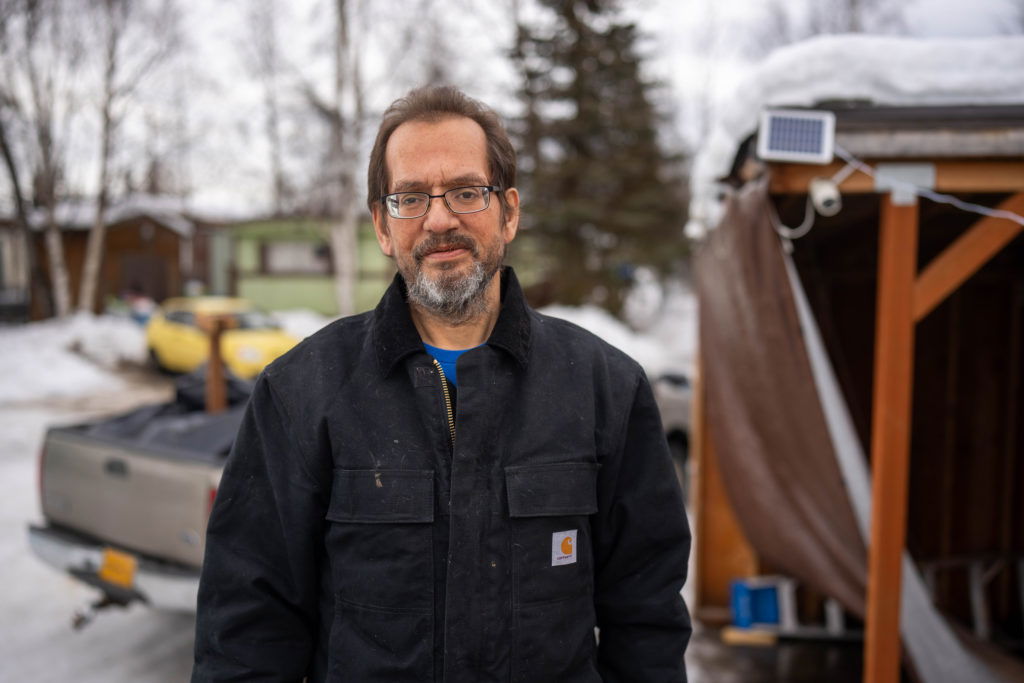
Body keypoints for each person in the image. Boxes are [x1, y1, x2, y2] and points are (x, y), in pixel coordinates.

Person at [192, 85, 691, 682]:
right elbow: (247, 633)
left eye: (465, 191)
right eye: (410, 197)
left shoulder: (604, 389)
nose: (439, 219)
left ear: (508, 212)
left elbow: (647, 622)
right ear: (383, 225)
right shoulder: (301, 394)